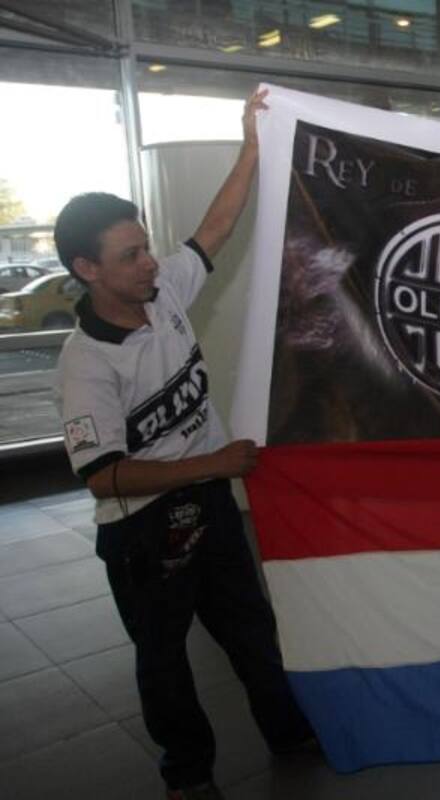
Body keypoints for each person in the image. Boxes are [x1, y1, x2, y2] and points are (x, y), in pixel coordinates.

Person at [54, 90, 314, 800]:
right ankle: (189, 775)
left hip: (209, 506)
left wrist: (253, 146)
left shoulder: (162, 292)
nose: (150, 262)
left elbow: (216, 228)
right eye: (131, 255)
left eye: (145, 246)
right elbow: (102, 477)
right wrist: (217, 463)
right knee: (165, 663)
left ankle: (291, 733)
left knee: (252, 632)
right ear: (88, 270)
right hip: (142, 533)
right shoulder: (86, 364)